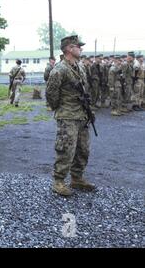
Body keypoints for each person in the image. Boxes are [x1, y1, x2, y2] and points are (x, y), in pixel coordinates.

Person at [46, 35, 96, 197]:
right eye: (77, 46)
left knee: (83, 149)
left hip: (82, 115)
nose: (80, 48)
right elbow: (51, 93)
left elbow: (85, 90)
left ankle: (77, 178)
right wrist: (61, 108)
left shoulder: (79, 67)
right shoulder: (60, 69)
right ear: (69, 48)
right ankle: (58, 181)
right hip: (68, 116)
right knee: (66, 149)